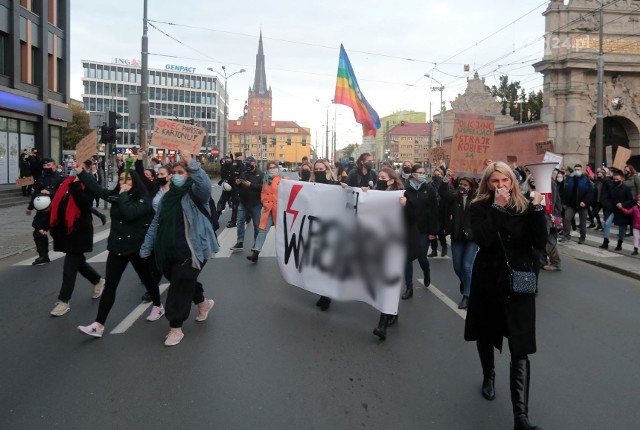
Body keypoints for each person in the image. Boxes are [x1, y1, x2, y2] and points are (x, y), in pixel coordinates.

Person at [464, 161, 547, 430]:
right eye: (495, 182)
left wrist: (537, 210)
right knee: (486, 333)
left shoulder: (524, 207)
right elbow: (483, 239)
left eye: (505, 181)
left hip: (519, 283)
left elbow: (539, 242)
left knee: (520, 348)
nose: (501, 186)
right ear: (487, 184)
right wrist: (498, 208)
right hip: (489, 282)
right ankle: (489, 374)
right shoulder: (478, 208)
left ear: (513, 182)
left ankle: (520, 416)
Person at [140, 151, 219, 346]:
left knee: (181, 282)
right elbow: (156, 224)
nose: (176, 175)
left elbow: (205, 185)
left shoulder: (196, 195)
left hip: (194, 250)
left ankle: (176, 327)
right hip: (168, 251)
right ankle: (203, 303)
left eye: (180, 172)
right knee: (182, 280)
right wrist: (146, 247)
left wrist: (191, 162)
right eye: (173, 172)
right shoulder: (167, 199)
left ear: (188, 175)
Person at [76, 164, 163, 337]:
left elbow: (130, 213)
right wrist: (82, 173)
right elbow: (98, 190)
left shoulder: (143, 198)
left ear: (136, 181)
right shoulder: (115, 195)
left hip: (136, 248)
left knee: (148, 279)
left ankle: (158, 306)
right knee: (110, 286)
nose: (125, 181)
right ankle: (99, 325)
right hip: (117, 248)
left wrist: (123, 194)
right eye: (123, 178)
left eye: (129, 178)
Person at [49, 163, 105, 317]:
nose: (74, 168)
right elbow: (55, 205)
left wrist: (76, 184)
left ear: (86, 169)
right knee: (78, 262)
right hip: (65, 231)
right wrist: (47, 226)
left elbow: (84, 203)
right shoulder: (66, 183)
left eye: (77, 166)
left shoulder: (88, 185)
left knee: (70, 266)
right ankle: (98, 280)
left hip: (79, 232)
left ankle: (63, 301)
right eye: (73, 165)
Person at [371, 168, 404, 340]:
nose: (380, 179)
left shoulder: (401, 195)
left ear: (392, 180)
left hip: (395, 244)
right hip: (377, 243)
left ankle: (382, 325)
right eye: (379, 177)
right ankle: (393, 311)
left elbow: (411, 217)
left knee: (388, 281)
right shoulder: (375, 193)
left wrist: (406, 205)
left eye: (383, 177)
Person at [399, 164, 438, 300]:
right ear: (413, 174)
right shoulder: (405, 190)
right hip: (408, 229)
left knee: (422, 257)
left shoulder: (429, 189)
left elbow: (434, 211)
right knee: (407, 258)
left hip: (423, 230)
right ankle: (409, 287)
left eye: (424, 172)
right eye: (420, 172)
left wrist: (433, 231)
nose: (423, 174)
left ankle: (426, 272)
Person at [310, 159, 340, 311]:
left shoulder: (336, 186)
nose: (319, 171)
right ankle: (322, 293)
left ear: (328, 170)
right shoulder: (309, 186)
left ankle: (326, 296)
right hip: (315, 228)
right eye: (317, 169)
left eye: (322, 169)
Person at [25, 157, 65, 265]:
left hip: (56, 210)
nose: (46, 167)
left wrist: (50, 192)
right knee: (38, 232)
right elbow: (35, 194)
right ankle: (43, 256)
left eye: (49, 165)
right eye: (44, 166)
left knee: (55, 232)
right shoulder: (41, 178)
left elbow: (64, 193)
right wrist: (30, 207)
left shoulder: (61, 177)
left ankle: (69, 250)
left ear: (54, 165)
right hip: (42, 211)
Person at [447, 177, 478, 309]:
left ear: (470, 187)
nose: (462, 186)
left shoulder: (477, 200)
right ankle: (467, 283)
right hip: (457, 237)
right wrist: (444, 180)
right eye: (460, 184)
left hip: (472, 239)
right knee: (457, 267)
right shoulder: (454, 198)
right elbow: (443, 195)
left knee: (466, 266)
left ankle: (467, 295)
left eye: (465, 185)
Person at [247, 161, 282, 263]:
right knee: (262, 230)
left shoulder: (283, 179)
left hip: (279, 210)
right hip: (268, 209)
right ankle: (256, 253)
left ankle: (285, 254)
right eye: (270, 168)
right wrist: (264, 202)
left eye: (274, 167)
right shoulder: (265, 179)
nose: (272, 169)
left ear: (277, 168)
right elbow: (263, 191)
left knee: (281, 232)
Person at [230, 156, 263, 251]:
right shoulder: (244, 173)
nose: (248, 165)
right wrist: (238, 183)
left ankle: (256, 244)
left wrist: (251, 185)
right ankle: (240, 241)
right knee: (240, 222)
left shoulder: (260, 174)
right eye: (246, 164)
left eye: (250, 164)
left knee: (257, 225)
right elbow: (239, 186)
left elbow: (263, 187)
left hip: (256, 203)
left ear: (254, 163)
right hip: (243, 202)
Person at [600, 169, 634, 250]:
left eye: (617, 179)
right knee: (607, 224)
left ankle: (619, 243)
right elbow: (607, 198)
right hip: (613, 209)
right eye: (614, 179)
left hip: (622, 210)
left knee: (622, 228)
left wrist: (622, 204)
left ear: (622, 179)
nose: (615, 181)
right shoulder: (612, 187)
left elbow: (630, 200)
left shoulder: (626, 189)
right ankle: (605, 241)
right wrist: (608, 205)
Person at [561, 163, 593, 244]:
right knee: (567, 218)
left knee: (582, 222)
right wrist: (564, 202)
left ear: (581, 170)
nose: (577, 171)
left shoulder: (586, 180)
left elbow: (590, 193)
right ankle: (566, 236)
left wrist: (585, 202)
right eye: (575, 170)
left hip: (582, 205)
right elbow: (566, 191)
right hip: (571, 204)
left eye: (578, 170)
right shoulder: (570, 179)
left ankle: (582, 238)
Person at [429, 165, 453, 257]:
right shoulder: (430, 185)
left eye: (439, 174)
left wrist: (451, 212)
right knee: (432, 231)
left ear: (442, 176)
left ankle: (444, 247)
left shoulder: (448, 186)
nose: (437, 176)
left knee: (440, 231)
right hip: (433, 211)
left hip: (443, 211)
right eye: (435, 174)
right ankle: (434, 250)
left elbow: (451, 198)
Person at [227, 152, 245, 227]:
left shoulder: (237, 165)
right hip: (237, 189)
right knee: (235, 205)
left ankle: (244, 218)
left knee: (240, 205)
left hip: (240, 189)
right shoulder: (239, 165)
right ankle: (234, 221)